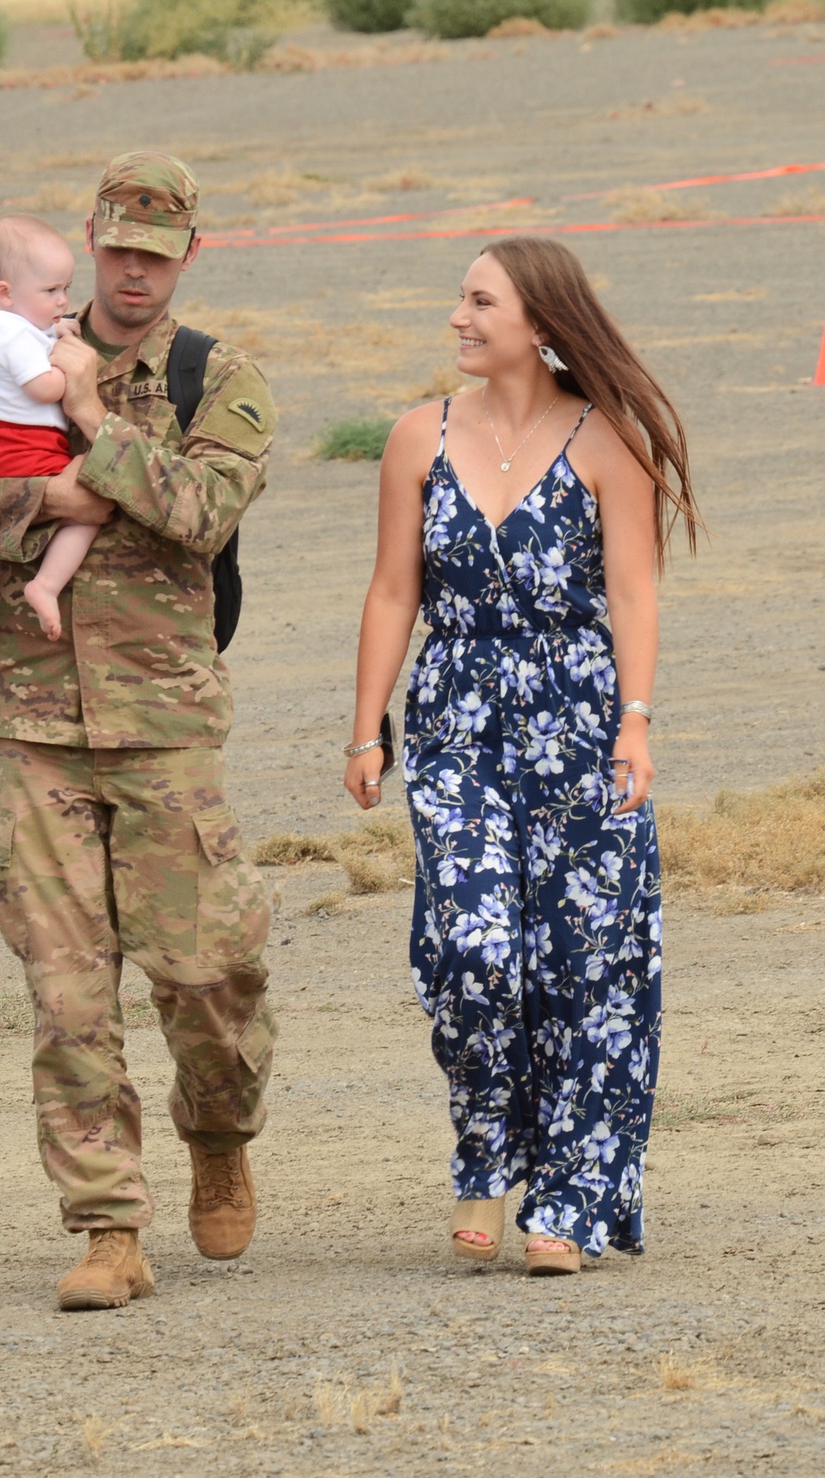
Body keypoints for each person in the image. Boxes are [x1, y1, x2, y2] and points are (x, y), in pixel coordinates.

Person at [0, 152, 277, 1311]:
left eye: (153, 258)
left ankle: (219, 1129)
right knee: (67, 990)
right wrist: (46, 499)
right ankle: (107, 1225)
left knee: (208, 971)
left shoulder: (218, 377)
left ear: (186, 260)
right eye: (114, 249)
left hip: (164, 723)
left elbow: (205, 509)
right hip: (34, 722)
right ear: (90, 239)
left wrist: (91, 423)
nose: (128, 274)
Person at [344, 237, 698, 1276]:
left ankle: (571, 1202)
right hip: (457, 721)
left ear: (539, 324)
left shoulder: (606, 441)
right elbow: (392, 592)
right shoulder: (418, 436)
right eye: (460, 297)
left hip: (581, 719)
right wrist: (368, 726)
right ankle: (488, 1150)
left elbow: (632, 591)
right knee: (471, 952)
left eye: (479, 300)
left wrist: (635, 719)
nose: (457, 316)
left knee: (584, 964)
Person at [0, 214, 97, 654]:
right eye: (51, 291)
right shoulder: (18, 338)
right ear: (7, 291)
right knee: (88, 506)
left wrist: (51, 329)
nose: (62, 299)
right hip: (26, 443)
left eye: (66, 288)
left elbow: (23, 333)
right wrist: (70, 365)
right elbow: (43, 388)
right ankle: (46, 585)